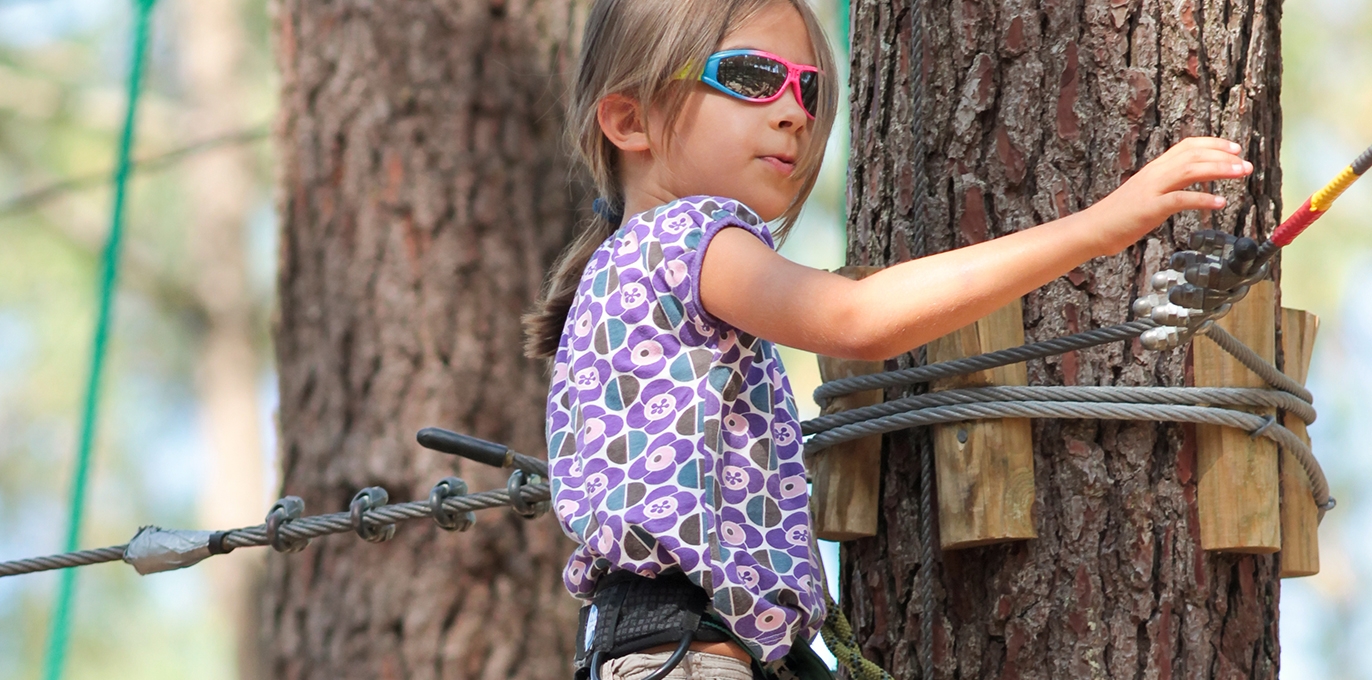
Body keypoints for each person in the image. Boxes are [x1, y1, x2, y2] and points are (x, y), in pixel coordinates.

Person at [522, 1, 1253, 678]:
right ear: (629, 120)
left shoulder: (626, 268)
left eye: (807, 91)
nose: (792, 114)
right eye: (751, 77)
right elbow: (857, 319)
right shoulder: (687, 238)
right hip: (686, 655)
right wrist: (1099, 227)